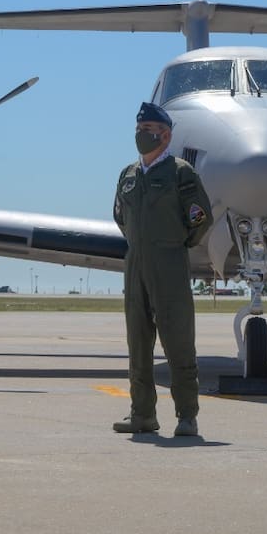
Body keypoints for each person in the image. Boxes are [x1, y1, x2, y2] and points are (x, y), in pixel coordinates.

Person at [112, 102, 213, 437]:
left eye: (149, 130)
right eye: (140, 130)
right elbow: (119, 217)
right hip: (135, 264)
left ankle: (187, 416)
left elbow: (200, 218)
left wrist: (175, 243)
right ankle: (141, 413)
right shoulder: (127, 175)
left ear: (165, 135)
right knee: (138, 342)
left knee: (178, 341)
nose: (142, 135)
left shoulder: (181, 173)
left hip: (169, 264)